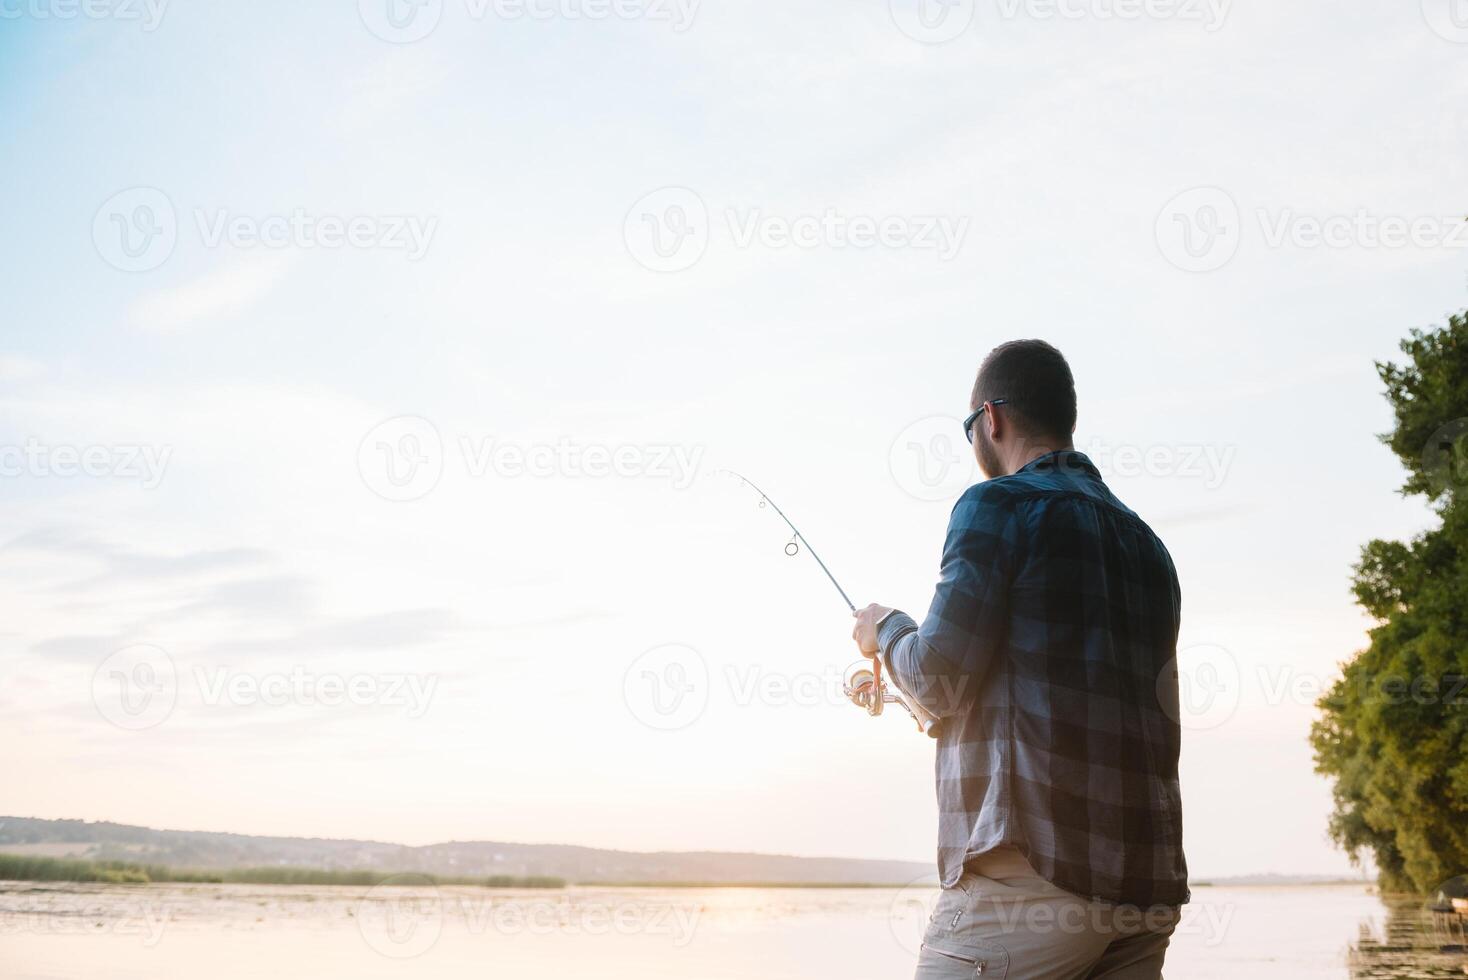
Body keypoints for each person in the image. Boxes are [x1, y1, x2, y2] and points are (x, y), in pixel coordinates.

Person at [852, 340, 1188, 979]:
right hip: (1143, 888)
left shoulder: (996, 504)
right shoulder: (1150, 547)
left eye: (968, 428)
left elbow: (938, 678)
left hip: (1031, 880)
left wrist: (885, 631)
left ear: (992, 419)